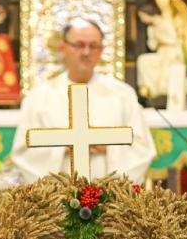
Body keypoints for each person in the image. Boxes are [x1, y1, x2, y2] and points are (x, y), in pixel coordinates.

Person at [10, 18, 156, 184]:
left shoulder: (123, 95)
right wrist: (63, 147)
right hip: (55, 202)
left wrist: (109, 147)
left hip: (110, 201)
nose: (86, 52)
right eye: (79, 45)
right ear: (63, 48)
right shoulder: (39, 97)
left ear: (101, 51)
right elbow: (23, 152)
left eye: (93, 46)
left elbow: (142, 149)